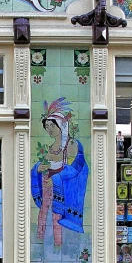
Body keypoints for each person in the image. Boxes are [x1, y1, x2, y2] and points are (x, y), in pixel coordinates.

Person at [31, 97, 88, 247]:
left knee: (57, 215)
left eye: (51, 126)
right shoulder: (50, 147)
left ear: (61, 126)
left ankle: (59, 245)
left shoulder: (71, 144)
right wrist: (38, 168)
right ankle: (40, 242)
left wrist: (56, 178)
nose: (49, 130)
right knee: (43, 213)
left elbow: (76, 168)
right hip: (46, 185)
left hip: (60, 188)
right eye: (47, 127)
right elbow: (43, 164)